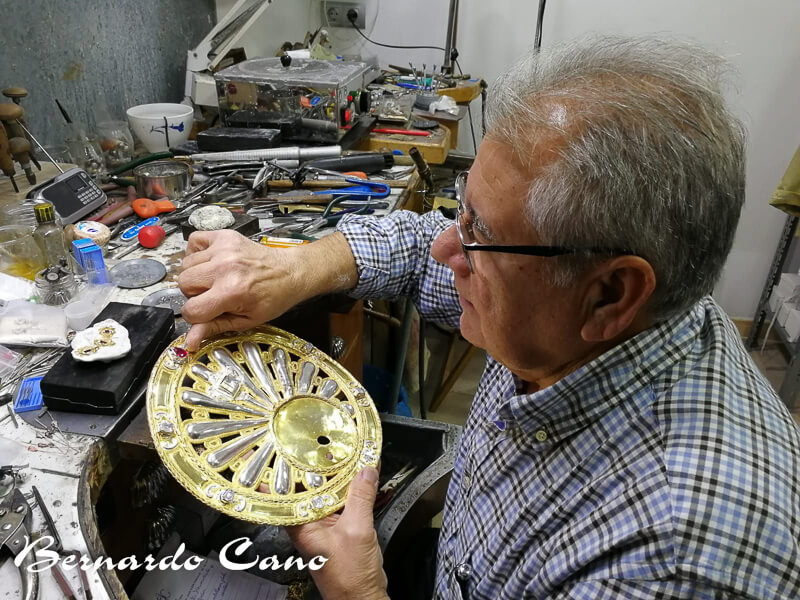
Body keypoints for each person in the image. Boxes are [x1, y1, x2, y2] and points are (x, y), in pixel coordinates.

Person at [178, 36, 800, 599]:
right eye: (463, 213)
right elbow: (426, 246)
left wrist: (358, 595)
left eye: (481, 233)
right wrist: (294, 269)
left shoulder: (666, 566)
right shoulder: (578, 312)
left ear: (611, 294)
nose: (449, 248)